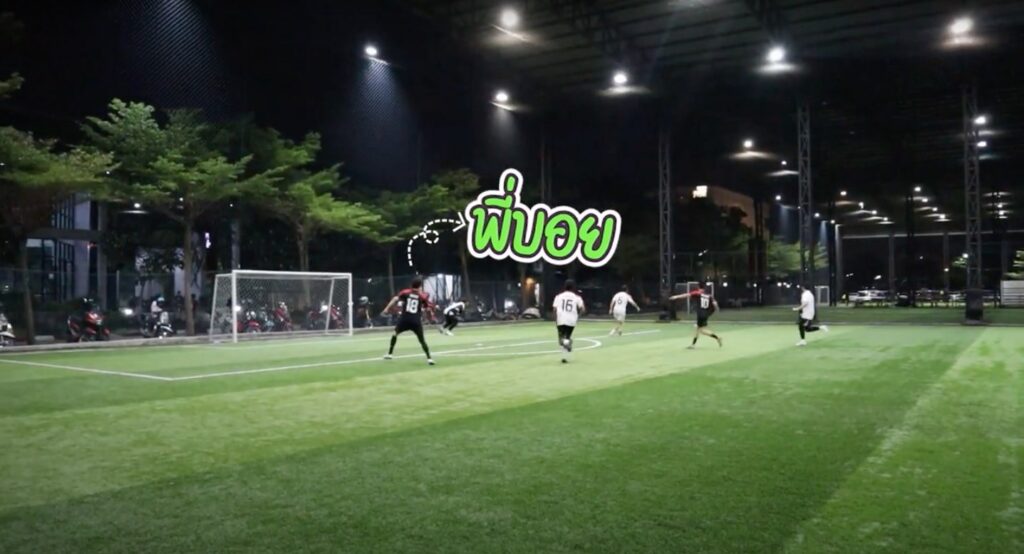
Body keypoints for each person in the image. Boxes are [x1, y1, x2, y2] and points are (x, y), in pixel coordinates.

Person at [381, 277, 435, 365]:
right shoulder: (422, 296)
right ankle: (429, 359)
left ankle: (390, 354)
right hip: (416, 321)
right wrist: (431, 318)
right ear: (420, 286)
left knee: (395, 334)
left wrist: (386, 309)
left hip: (404, 320)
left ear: (411, 285)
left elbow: (395, 299)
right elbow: (428, 309)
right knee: (422, 340)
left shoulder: (405, 292)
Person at [553, 279, 585, 363]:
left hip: (561, 319)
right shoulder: (577, 297)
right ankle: (565, 358)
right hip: (571, 320)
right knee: (566, 338)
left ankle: (568, 345)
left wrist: (555, 320)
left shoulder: (558, 296)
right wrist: (578, 317)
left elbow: (554, 309)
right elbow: (583, 309)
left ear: (565, 286)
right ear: (573, 287)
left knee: (561, 341)